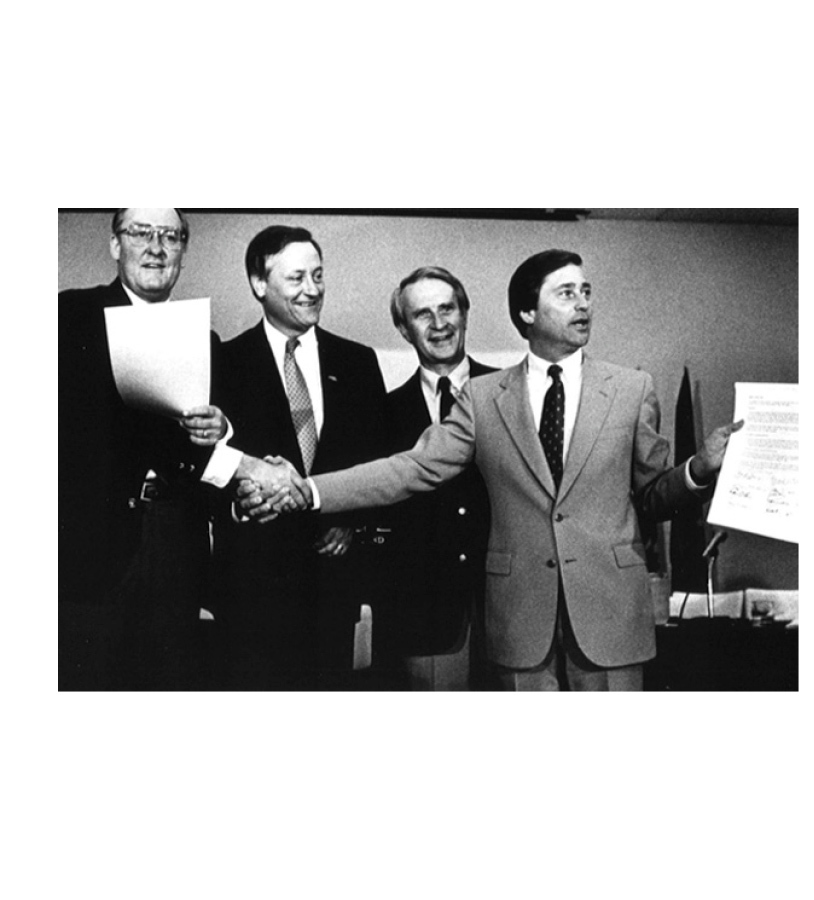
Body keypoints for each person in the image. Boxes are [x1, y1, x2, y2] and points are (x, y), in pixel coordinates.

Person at [243, 250, 741, 691]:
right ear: (527, 312)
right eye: (566, 293)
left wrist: (699, 468)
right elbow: (411, 468)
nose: (583, 304)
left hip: (611, 619)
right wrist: (306, 490)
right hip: (521, 627)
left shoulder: (633, 389)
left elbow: (653, 495)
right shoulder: (483, 399)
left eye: (586, 292)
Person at [59, 208, 237, 690]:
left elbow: (218, 447)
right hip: (89, 542)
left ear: (183, 252)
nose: (156, 248)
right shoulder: (68, 316)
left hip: (178, 541)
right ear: (115, 245)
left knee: (169, 684)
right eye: (141, 233)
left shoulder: (207, 342)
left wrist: (221, 428)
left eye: (170, 237)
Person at [213, 226, 391, 690]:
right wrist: (239, 506)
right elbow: (202, 464)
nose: (312, 290)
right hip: (252, 587)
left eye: (318, 275)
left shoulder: (358, 363)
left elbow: (381, 463)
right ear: (259, 284)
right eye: (296, 278)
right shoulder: (224, 364)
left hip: (333, 584)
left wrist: (350, 519)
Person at [380, 267, 496, 690]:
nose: (439, 323)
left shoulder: (512, 394)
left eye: (447, 309)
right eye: (422, 314)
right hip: (424, 620)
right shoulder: (382, 412)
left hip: (509, 612)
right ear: (403, 329)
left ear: (464, 313)